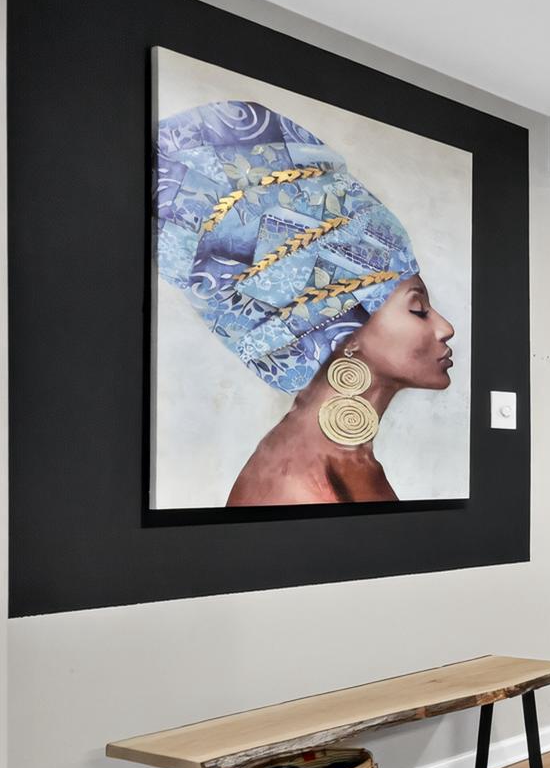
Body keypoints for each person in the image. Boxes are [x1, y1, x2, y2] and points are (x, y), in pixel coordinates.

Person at [155, 100, 455, 504]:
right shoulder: (298, 485)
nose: (444, 327)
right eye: (417, 308)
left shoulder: (348, 463)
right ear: (344, 333)